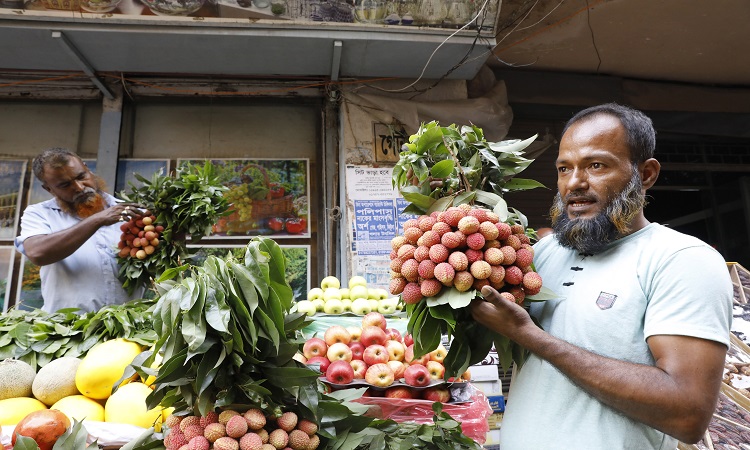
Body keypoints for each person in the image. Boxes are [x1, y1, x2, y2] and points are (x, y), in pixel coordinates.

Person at [470, 103, 732, 449]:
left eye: (596, 165)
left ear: (647, 174)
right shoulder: (543, 254)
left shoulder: (682, 261)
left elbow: (687, 415)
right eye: (564, 168)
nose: (575, 183)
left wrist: (530, 335)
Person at [15, 148, 144, 313]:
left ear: (87, 169)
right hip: (69, 332)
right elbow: (38, 253)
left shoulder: (132, 212)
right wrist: (97, 220)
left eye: (81, 177)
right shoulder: (40, 214)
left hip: (129, 328)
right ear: (49, 189)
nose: (79, 187)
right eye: (65, 185)